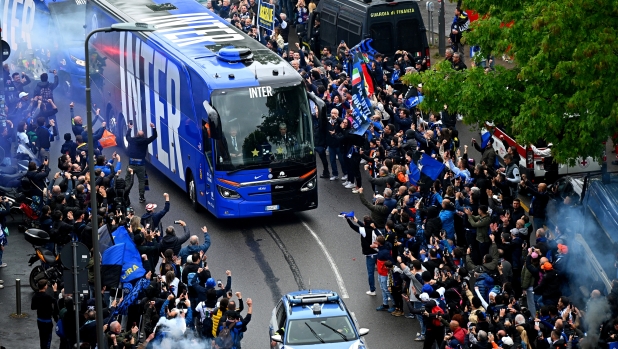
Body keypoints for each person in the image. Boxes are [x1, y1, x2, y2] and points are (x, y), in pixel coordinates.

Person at [345, 215, 378, 295]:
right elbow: (365, 226)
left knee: (370, 273)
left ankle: (372, 290)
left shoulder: (364, 230)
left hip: (370, 254)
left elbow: (353, 227)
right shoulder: (375, 230)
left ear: (365, 223)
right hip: (378, 253)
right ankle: (388, 293)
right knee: (383, 273)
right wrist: (357, 221)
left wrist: (348, 219)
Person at [126, 122, 158, 202]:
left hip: (131, 164)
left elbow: (127, 136)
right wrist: (153, 127)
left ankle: (125, 195)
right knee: (142, 181)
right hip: (141, 164)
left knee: (128, 180)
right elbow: (154, 136)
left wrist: (130, 128)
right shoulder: (145, 141)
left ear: (137, 135)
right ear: (143, 136)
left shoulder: (132, 140)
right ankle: (141, 197)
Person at [31, 279, 59, 349]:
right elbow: (56, 301)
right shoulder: (47, 297)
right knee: (47, 339)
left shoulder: (35, 296)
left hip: (39, 319)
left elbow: (33, 307)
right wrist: (55, 291)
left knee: (42, 338)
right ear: (45, 286)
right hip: (47, 320)